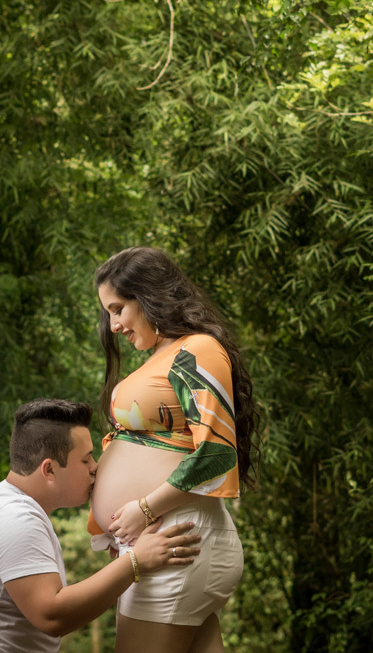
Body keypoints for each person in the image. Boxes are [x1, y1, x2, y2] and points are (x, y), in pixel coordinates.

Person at [87, 247, 259, 653]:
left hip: (176, 537)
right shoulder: (162, 357)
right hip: (171, 539)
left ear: (147, 296)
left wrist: (143, 509)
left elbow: (218, 452)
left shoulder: (195, 349)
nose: (113, 326)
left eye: (118, 309)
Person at [0, 398, 202, 653]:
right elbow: (52, 616)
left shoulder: (12, 507)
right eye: (86, 459)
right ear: (48, 469)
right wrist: (135, 562)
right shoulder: (13, 517)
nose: (95, 468)